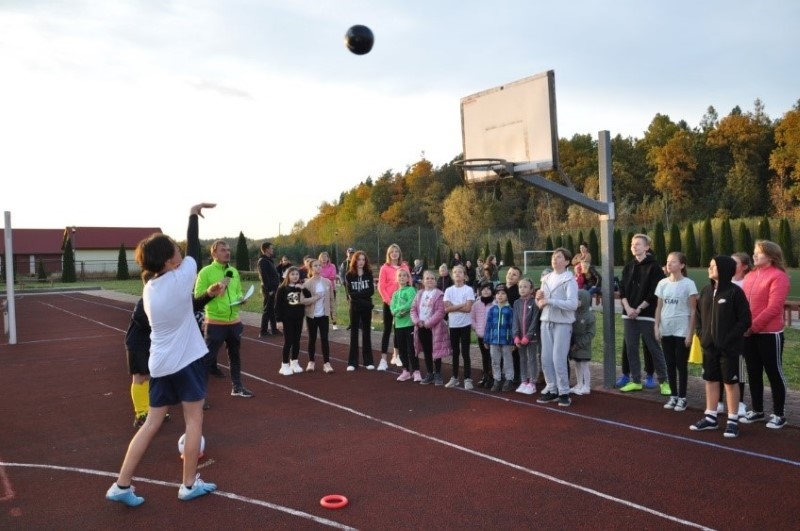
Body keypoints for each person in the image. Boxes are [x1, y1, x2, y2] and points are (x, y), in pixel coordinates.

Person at [106, 203, 218, 507]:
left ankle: (121, 484)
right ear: (169, 261)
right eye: (175, 250)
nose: (181, 252)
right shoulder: (181, 277)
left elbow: (186, 304)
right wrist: (193, 215)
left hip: (160, 363)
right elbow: (194, 246)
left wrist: (207, 295)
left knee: (151, 424)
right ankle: (188, 485)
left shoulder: (150, 288)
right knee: (193, 421)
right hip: (187, 361)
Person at [125, 289, 220, 428]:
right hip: (138, 343)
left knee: (151, 376)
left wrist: (209, 294)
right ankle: (141, 414)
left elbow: (192, 305)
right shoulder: (148, 298)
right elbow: (140, 318)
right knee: (140, 377)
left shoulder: (172, 299)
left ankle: (150, 411)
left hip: (155, 344)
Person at [690, 256, 751, 438]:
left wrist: (728, 339)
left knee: (731, 383)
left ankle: (732, 421)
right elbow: (699, 317)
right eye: (709, 265)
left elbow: (745, 320)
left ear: (724, 269)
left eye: (713, 266)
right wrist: (702, 336)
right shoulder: (706, 291)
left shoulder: (735, 292)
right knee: (710, 379)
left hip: (731, 349)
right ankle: (711, 417)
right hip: (709, 348)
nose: (709, 268)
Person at [740, 240, 791, 429]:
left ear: (770, 256)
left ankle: (779, 414)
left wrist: (753, 327)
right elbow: (743, 304)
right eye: (754, 252)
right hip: (749, 333)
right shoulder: (750, 276)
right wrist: (743, 326)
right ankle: (757, 410)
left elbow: (774, 307)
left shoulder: (779, 276)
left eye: (759, 252)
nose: (754, 255)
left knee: (774, 372)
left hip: (769, 334)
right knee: (753, 372)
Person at [194, 240, 254, 398]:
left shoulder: (233, 271)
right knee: (207, 360)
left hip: (234, 321)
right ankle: (199, 395)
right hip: (215, 322)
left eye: (228, 250)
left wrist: (241, 298)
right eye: (222, 250)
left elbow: (237, 291)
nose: (227, 252)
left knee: (235, 356)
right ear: (213, 253)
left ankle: (237, 387)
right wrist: (211, 290)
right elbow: (198, 297)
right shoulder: (205, 272)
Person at [617, 234, 670, 396]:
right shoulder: (628, 267)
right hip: (629, 315)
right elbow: (622, 290)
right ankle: (635, 381)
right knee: (631, 348)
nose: (634, 246)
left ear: (647, 247)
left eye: (638, 244)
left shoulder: (654, 267)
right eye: (632, 244)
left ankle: (664, 382)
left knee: (654, 348)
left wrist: (639, 309)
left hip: (646, 314)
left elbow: (654, 292)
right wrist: (628, 308)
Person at [654, 252, 698, 412]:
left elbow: (693, 310)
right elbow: (659, 307)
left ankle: (682, 397)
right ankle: (673, 395)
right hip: (666, 329)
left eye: (673, 262)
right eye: (668, 261)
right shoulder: (662, 283)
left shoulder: (689, 284)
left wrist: (689, 333)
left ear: (682, 265)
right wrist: (656, 327)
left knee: (681, 364)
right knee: (670, 364)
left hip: (682, 330)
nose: (669, 264)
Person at [535, 248, 579, 406]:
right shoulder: (546, 278)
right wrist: (538, 299)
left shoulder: (569, 280)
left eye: (559, 257)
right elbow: (540, 302)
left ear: (566, 261)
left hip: (562, 323)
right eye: (554, 256)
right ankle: (552, 389)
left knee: (558, 358)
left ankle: (564, 392)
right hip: (546, 321)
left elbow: (573, 304)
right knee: (546, 358)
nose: (555, 259)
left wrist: (550, 301)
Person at [275, 266, 315, 375]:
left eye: (297, 274)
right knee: (288, 341)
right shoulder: (282, 289)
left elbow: (309, 297)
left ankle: (294, 362)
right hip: (287, 319)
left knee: (297, 341)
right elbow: (277, 306)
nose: (295, 276)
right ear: (288, 275)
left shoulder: (299, 288)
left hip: (298, 318)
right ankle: (284, 365)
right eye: (292, 274)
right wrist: (278, 320)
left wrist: (302, 288)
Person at [377, 243, 411, 370]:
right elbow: (381, 287)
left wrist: (405, 301)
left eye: (396, 251)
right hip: (389, 302)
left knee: (398, 329)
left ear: (399, 253)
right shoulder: (384, 268)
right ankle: (383, 360)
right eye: (392, 252)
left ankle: (396, 355)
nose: (394, 254)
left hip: (402, 304)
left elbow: (409, 282)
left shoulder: (404, 266)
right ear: (389, 254)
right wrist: (389, 301)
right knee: (387, 329)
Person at [443, 264, 475, 389]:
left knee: (465, 352)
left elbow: (468, 309)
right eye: (455, 272)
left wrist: (453, 307)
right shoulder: (448, 290)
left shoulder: (468, 290)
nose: (457, 274)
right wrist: (461, 304)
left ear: (464, 276)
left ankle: (467, 378)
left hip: (465, 325)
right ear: (452, 275)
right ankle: (454, 377)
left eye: (460, 272)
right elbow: (446, 309)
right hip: (453, 325)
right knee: (455, 352)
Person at [344, 250, 376, 371]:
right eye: (359, 260)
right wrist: (362, 296)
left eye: (363, 259)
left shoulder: (369, 274)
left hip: (366, 307)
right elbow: (351, 294)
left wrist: (359, 295)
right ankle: (352, 362)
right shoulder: (349, 275)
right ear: (354, 261)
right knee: (354, 334)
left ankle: (368, 361)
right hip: (355, 307)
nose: (361, 262)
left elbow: (371, 291)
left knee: (366, 333)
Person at [303, 259, 335, 373]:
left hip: (323, 316)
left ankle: (327, 363)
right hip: (311, 316)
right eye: (315, 266)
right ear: (311, 268)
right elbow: (303, 301)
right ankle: (311, 361)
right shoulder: (307, 284)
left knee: (325, 339)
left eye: (319, 265)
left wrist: (333, 313)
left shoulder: (327, 282)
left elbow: (331, 299)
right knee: (312, 339)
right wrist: (314, 298)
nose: (318, 267)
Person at [391, 269, 420, 382]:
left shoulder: (411, 290)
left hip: (409, 324)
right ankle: (406, 371)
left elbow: (411, 303)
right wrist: (397, 312)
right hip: (399, 326)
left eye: (404, 276)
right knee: (402, 349)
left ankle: (416, 371)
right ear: (397, 278)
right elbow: (392, 308)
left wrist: (400, 309)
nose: (402, 277)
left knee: (411, 349)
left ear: (408, 278)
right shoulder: (395, 294)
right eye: (400, 276)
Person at [513, 277, 541, 395]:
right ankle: (524, 381)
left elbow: (535, 320)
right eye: (520, 287)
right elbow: (515, 320)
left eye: (525, 287)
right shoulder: (516, 303)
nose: (522, 289)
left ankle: (532, 383)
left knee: (532, 359)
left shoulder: (534, 303)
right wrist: (516, 336)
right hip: (519, 338)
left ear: (531, 289)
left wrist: (528, 336)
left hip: (531, 338)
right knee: (522, 359)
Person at [484, 283, 514, 392]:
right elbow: (488, 325)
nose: (500, 296)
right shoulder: (492, 310)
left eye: (503, 293)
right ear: (495, 296)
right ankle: (497, 379)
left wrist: (513, 341)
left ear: (507, 296)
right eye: (498, 294)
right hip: (494, 340)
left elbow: (513, 326)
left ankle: (509, 379)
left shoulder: (510, 310)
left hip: (506, 340)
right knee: (495, 360)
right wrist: (486, 339)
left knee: (507, 360)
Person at [569, 289, 596, 395]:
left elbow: (590, 333)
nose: (577, 301)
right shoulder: (574, 313)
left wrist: (579, 344)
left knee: (584, 365)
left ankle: (587, 386)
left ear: (585, 300)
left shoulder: (589, 316)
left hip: (583, 346)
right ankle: (579, 384)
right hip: (574, 345)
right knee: (577, 364)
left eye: (579, 299)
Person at [471, 281, 495, 388]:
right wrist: (476, 328)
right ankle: (485, 375)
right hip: (481, 335)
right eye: (483, 289)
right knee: (484, 356)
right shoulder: (476, 304)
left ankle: (492, 376)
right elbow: (472, 318)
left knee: (492, 356)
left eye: (488, 289)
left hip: (492, 336)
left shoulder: (495, 304)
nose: (485, 291)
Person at [257, 242, 281, 337]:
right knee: (267, 309)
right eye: (271, 248)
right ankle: (263, 331)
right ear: (266, 249)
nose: (273, 250)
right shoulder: (262, 261)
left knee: (272, 309)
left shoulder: (268, 260)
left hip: (274, 288)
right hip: (269, 289)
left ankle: (274, 329)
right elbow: (264, 276)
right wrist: (269, 289)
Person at [504, 266, 522, 386]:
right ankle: (501, 374)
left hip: (512, 325)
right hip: (500, 325)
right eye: (509, 273)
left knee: (514, 352)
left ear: (518, 279)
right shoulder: (501, 288)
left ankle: (516, 375)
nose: (510, 276)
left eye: (514, 274)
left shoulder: (517, 293)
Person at [318, 251, 339, 330]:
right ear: (319, 258)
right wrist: (326, 277)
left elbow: (333, 276)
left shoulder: (332, 266)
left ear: (328, 258)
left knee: (332, 306)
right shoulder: (318, 266)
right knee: (322, 306)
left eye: (325, 257)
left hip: (331, 288)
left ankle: (334, 323)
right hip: (321, 289)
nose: (324, 259)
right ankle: (323, 323)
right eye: (322, 257)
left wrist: (323, 277)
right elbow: (317, 276)